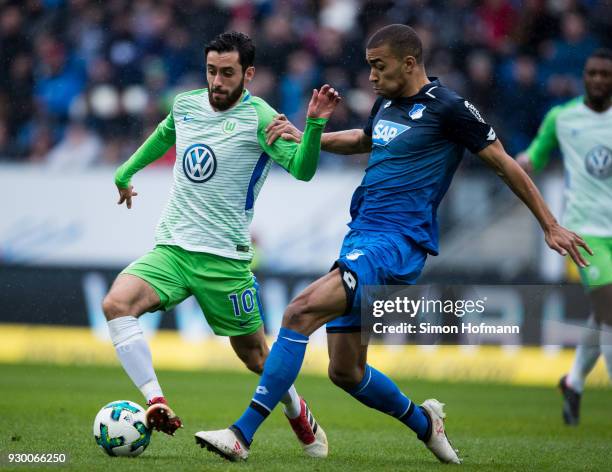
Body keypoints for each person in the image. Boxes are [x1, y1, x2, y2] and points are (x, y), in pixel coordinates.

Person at [195, 24, 592, 464]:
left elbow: (503, 165)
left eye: (378, 67)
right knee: (346, 372)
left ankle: (241, 434)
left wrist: (549, 224)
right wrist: (308, 135)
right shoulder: (386, 104)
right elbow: (365, 141)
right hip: (361, 236)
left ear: (409, 63)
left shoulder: (451, 108)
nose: (370, 77)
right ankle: (426, 423)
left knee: (299, 311)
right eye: (368, 67)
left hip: (397, 242)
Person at [102, 31, 339, 458]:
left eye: (227, 73)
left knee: (257, 359)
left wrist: (315, 125)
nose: (217, 81)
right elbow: (163, 135)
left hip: (225, 262)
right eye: (211, 71)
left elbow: (303, 171)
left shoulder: (262, 118)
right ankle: (156, 401)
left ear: (248, 74)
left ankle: (297, 409)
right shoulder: (186, 104)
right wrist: (125, 171)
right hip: (171, 250)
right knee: (116, 305)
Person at [516, 48, 612, 426]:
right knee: (610, 311)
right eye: (593, 73)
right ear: (584, 76)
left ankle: (572, 382)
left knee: (602, 315)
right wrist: (515, 162)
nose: (600, 79)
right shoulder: (562, 117)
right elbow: (534, 156)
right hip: (584, 233)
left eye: (606, 74)